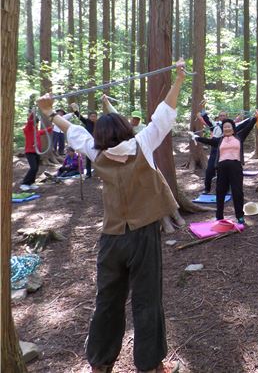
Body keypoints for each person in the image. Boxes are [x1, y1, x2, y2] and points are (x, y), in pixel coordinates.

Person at [37, 61, 187, 373]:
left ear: (103, 135)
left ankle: (101, 363)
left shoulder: (97, 152)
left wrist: (49, 112)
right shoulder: (142, 144)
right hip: (143, 236)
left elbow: (75, 132)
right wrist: (180, 78)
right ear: (124, 128)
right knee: (147, 300)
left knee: (108, 300)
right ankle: (150, 365)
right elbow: (164, 114)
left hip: (111, 238)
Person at [192, 114, 257, 225]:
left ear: (233, 128)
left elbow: (249, 126)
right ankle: (219, 216)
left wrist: (255, 117)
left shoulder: (239, 137)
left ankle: (240, 216)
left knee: (237, 192)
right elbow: (208, 141)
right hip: (221, 168)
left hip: (236, 167)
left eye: (229, 126)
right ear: (223, 129)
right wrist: (195, 137)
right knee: (220, 192)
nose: (227, 128)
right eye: (225, 127)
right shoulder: (219, 140)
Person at [20, 111, 52, 191]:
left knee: (36, 168)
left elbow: (45, 131)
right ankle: (25, 183)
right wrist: (32, 115)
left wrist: (52, 127)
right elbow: (30, 123)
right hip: (30, 152)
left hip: (37, 152)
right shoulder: (28, 129)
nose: (36, 124)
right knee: (33, 168)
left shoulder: (37, 131)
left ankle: (31, 183)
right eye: (35, 123)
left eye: (37, 123)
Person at [70, 103, 97, 178]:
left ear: (96, 117)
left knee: (97, 158)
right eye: (92, 116)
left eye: (94, 116)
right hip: (89, 143)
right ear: (89, 117)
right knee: (88, 159)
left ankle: (99, 172)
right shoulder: (87, 122)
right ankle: (88, 173)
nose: (93, 118)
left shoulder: (99, 124)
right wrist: (75, 109)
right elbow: (80, 117)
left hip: (97, 142)